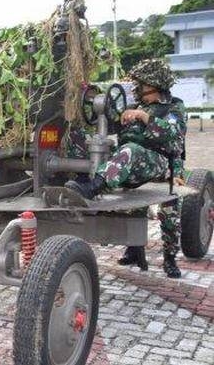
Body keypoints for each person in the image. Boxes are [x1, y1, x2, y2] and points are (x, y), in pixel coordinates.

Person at [65, 58, 187, 278]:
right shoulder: (132, 106)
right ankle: (134, 249)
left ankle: (170, 259)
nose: (138, 89)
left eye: (142, 85)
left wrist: (144, 117)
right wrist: (95, 101)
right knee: (79, 138)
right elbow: (108, 120)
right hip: (128, 162)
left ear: (155, 85)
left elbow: (174, 135)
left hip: (159, 163)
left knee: (169, 212)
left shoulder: (173, 107)